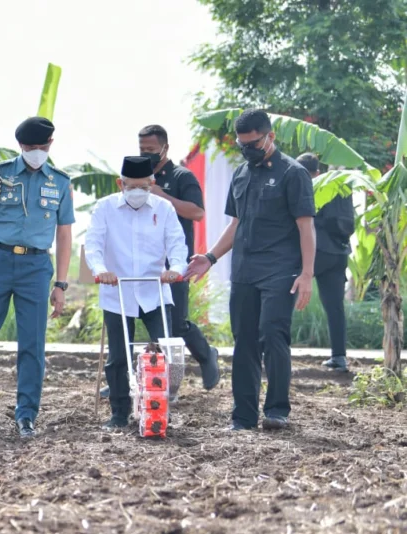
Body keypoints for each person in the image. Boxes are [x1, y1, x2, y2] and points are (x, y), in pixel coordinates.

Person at [186, 109, 316, 431]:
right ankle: (242, 417)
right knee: (244, 341)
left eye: (253, 143)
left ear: (270, 136)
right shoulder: (241, 174)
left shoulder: (293, 173)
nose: (248, 150)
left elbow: (306, 227)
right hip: (244, 270)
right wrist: (210, 257)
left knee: (273, 335)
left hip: (281, 270)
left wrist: (307, 274)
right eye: (243, 145)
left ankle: (276, 411)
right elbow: (236, 224)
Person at [0, 116, 74, 439]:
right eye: (29, 147)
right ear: (20, 146)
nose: (36, 152)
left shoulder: (61, 182)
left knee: (32, 344)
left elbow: (64, 236)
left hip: (36, 267)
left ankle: (26, 414)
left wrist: (61, 284)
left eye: (41, 146)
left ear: (50, 144)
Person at [98, 125, 220, 395]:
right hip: (134, 268)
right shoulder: (135, 175)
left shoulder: (181, 177)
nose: (146, 154)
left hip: (171, 263)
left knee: (174, 324)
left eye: (151, 150)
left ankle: (204, 356)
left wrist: (163, 196)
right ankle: (122, 380)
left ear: (165, 148)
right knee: (123, 327)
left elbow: (198, 213)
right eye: (142, 150)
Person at [85, 157, 188, 429]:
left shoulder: (164, 209)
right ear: (121, 184)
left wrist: (175, 269)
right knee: (118, 356)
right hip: (117, 290)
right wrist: (101, 270)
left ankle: (158, 408)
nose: (138, 192)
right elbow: (93, 244)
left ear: (152, 184)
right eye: (132, 186)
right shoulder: (104, 208)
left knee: (165, 350)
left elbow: (177, 243)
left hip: (155, 289)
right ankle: (119, 413)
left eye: (144, 186)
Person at [298, 152, 354, 372]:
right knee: (335, 307)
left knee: (283, 294)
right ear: (318, 170)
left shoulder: (309, 187)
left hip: (317, 252)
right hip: (339, 253)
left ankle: (269, 350)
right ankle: (339, 358)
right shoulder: (342, 187)